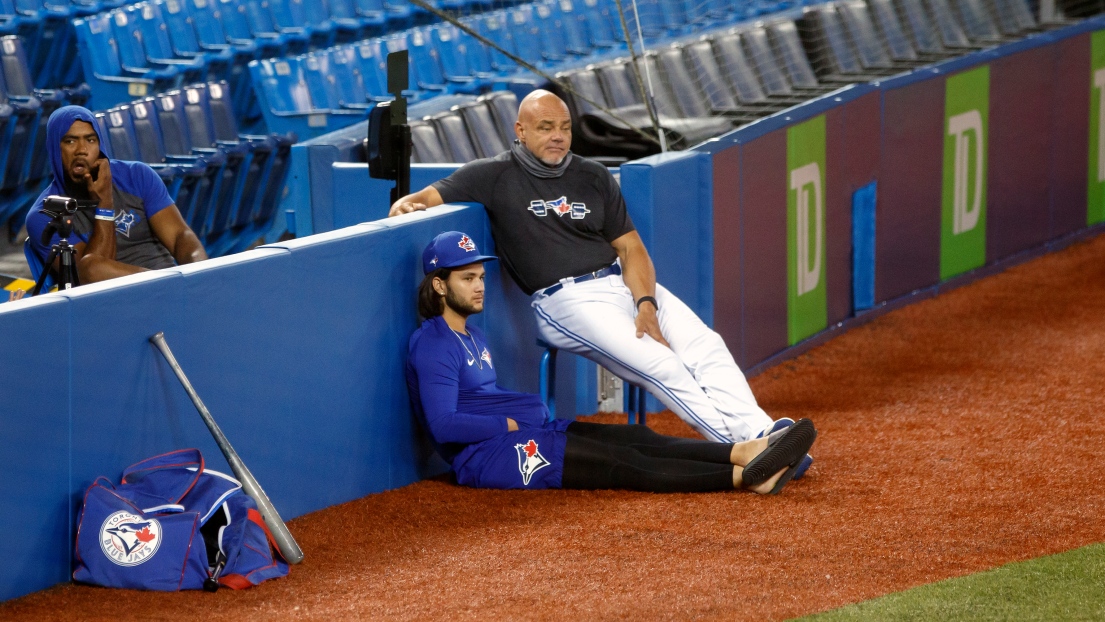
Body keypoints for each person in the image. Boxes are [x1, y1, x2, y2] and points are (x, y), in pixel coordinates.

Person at [390, 91, 811, 473]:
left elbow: (632, 250)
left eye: (564, 127)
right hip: (565, 300)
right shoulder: (493, 175)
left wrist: (645, 302)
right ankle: (751, 451)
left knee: (706, 346)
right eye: (545, 127)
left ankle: (767, 433)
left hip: (622, 285)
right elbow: (427, 197)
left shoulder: (593, 175)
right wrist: (409, 203)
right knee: (664, 366)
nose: (558, 136)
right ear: (519, 130)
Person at [405, 231, 818, 494]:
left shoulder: (471, 334)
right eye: (467, 279)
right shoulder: (433, 344)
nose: (480, 287)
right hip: (491, 454)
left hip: (528, 430)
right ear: (439, 285)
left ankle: (745, 450)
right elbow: (444, 425)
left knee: (638, 438)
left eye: (480, 277)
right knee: (625, 465)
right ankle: (748, 478)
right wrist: (508, 424)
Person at [24, 106, 207, 287]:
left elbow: (179, 236)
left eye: (90, 140)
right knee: (91, 266)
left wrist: (200, 274)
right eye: (70, 141)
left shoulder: (136, 175)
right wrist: (105, 202)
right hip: (112, 305)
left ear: (100, 144)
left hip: (169, 284)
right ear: (55, 149)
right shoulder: (45, 213)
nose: (82, 150)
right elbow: (89, 277)